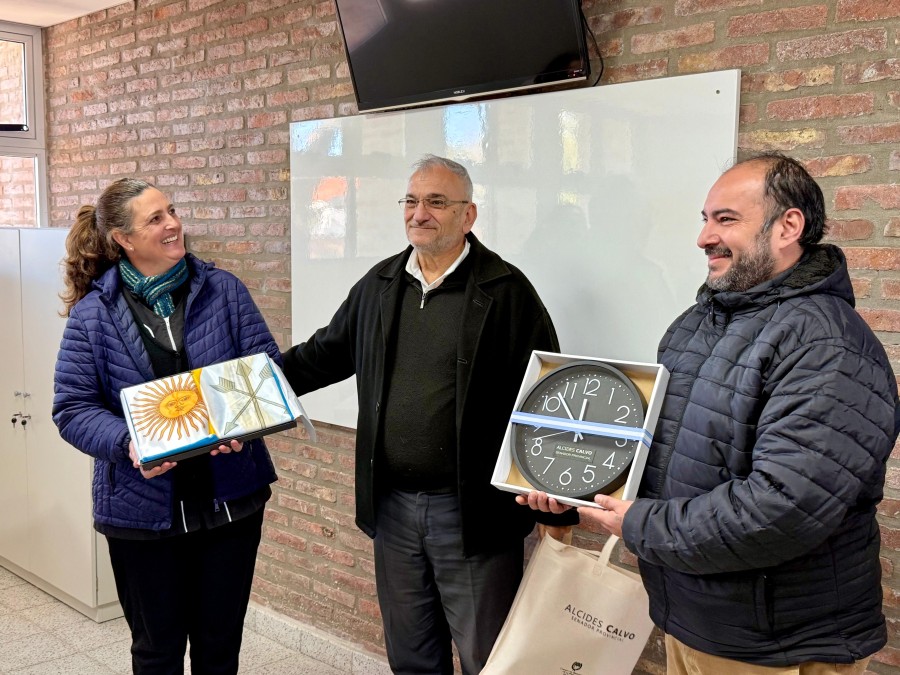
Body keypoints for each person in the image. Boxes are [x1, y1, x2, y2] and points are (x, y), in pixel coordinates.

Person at [520, 153, 900, 674]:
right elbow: (660, 451)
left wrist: (641, 524)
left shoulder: (826, 343)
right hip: (695, 621)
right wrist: (573, 487)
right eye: (705, 219)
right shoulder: (694, 326)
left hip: (776, 647)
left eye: (726, 219)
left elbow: (783, 508)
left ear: (789, 226)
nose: (704, 237)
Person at [281, 155, 576, 674]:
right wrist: (239, 396)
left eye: (437, 202)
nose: (420, 213)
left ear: (469, 215)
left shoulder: (507, 293)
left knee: (488, 657)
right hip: (392, 508)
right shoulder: (381, 284)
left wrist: (557, 505)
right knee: (412, 655)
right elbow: (321, 356)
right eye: (412, 201)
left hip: (471, 511)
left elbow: (547, 400)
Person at [53, 178, 280, 674]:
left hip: (230, 505)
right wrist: (126, 442)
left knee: (220, 649)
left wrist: (246, 422)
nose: (173, 224)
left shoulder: (224, 290)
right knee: (157, 652)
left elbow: (266, 370)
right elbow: (71, 408)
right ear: (123, 239)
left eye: (171, 211)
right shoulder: (93, 315)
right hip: (140, 512)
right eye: (155, 219)